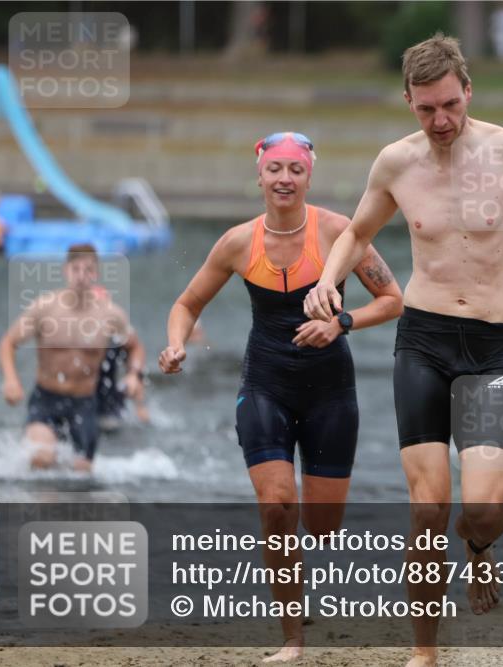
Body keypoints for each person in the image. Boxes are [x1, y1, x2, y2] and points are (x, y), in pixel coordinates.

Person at [303, 35, 503, 667]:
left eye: (450, 105)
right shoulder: (396, 163)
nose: (441, 121)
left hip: (489, 346)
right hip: (424, 342)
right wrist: (326, 279)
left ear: (468, 91)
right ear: (408, 100)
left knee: (484, 511)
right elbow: (356, 232)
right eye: (426, 109)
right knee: (427, 507)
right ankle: (425, 653)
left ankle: (479, 552)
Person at [158, 132, 402, 663]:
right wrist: (176, 344)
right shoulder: (237, 243)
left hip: (330, 391)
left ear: (309, 176)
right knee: (277, 506)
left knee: (321, 526)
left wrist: (341, 323)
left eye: (295, 169)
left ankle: (298, 588)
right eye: (275, 170)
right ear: (260, 177)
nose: (284, 179)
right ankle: (292, 637)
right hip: (265, 384)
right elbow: (187, 302)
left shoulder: (339, 232)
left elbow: (392, 300)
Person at [0, 243, 145, 472]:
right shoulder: (44, 308)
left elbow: (135, 347)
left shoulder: (110, 315)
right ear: (66, 270)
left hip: (84, 403)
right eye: (76, 269)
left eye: (88, 270)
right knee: (42, 458)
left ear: (95, 274)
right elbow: (9, 342)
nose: (81, 276)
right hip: (46, 399)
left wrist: (134, 375)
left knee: (81, 473)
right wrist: (10, 380)